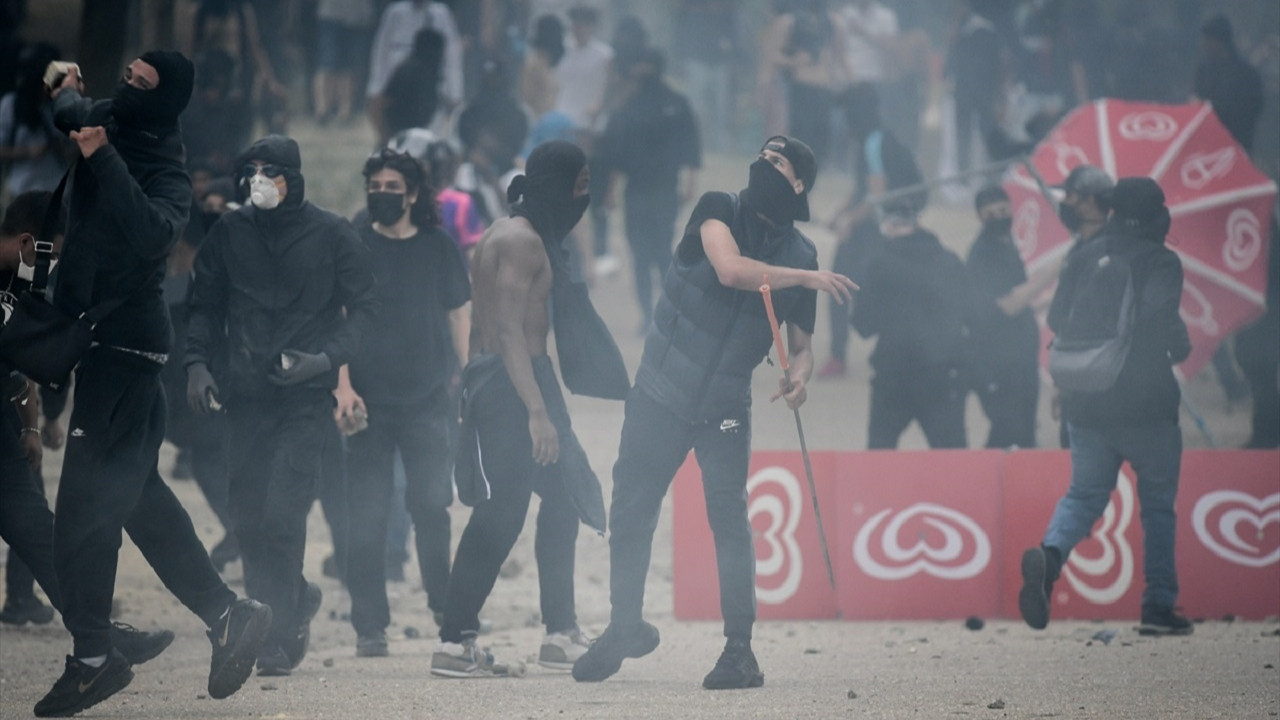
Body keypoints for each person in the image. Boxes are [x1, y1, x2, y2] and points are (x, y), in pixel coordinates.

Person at [572, 136, 856, 689]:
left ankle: (739, 652)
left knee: (729, 517)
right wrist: (805, 279)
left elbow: (802, 348)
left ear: (798, 185)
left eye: (778, 163)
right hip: (658, 392)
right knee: (632, 508)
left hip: (725, 403)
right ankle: (624, 626)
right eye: (763, 156)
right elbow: (729, 269)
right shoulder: (717, 208)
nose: (763, 165)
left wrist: (799, 379)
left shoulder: (803, 254)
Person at [38, 52, 271, 718]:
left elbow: (153, 235)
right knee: (137, 499)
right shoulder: (107, 117)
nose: (128, 90)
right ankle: (226, 614)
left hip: (127, 351)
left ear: (165, 102)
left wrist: (102, 155)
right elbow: (70, 111)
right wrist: (67, 83)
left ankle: (92, 659)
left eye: (143, 86)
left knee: (82, 515)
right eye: (127, 79)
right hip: (105, 345)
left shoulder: (164, 166)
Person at [433, 140, 627, 678]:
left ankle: (559, 634)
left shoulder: (518, 234)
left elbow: (492, 329)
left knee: (563, 498)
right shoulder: (521, 241)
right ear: (557, 184)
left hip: (509, 380)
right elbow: (510, 330)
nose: (584, 196)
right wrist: (537, 411)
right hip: (513, 385)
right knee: (503, 511)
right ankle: (454, 641)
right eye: (581, 185)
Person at [185, 134, 377, 677]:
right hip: (242, 396)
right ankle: (290, 603)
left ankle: (274, 636)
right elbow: (203, 305)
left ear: (293, 177)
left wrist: (325, 360)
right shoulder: (230, 232)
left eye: (271, 170)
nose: (259, 180)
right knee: (247, 516)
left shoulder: (333, 234)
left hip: (302, 401)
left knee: (283, 515)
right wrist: (196, 365)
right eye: (252, 170)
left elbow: (365, 311)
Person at [1020, 177, 1192, 636]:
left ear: (1113, 210)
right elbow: (1161, 318)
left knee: (1083, 495)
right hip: (1147, 405)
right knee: (1157, 505)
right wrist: (1180, 346)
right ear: (1157, 214)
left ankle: (1051, 557)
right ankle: (1158, 608)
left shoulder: (1083, 254)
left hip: (1086, 401)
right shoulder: (1161, 260)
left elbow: (1057, 319)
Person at [338, 149, 470, 657]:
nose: (383, 193)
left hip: (427, 398)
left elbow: (460, 309)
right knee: (366, 516)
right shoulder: (355, 242)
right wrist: (342, 387)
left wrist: (463, 376)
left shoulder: (438, 246)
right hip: (367, 402)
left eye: (394, 186)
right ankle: (369, 625)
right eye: (375, 184)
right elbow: (341, 315)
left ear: (413, 193)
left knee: (431, 507)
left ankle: (444, 606)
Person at [851, 198, 973, 450]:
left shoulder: (877, 265)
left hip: (895, 373)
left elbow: (863, 325)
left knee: (879, 455)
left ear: (886, 226)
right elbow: (970, 312)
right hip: (944, 372)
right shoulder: (950, 261)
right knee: (954, 460)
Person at [819, 83, 922, 379]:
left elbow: (876, 196)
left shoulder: (874, 143)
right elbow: (861, 190)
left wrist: (850, 221)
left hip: (880, 230)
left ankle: (839, 357)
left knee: (840, 284)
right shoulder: (874, 140)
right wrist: (840, 214)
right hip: (883, 226)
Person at [598, 48, 701, 333]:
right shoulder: (635, 106)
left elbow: (690, 147)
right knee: (645, 255)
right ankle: (651, 316)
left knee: (658, 253)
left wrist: (689, 184)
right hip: (642, 192)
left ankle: (666, 313)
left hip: (660, 190)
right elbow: (617, 155)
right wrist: (611, 191)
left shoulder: (672, 104)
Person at [966, 185, 1044, 449]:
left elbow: (1022, 304)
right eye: (990, 214)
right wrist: (1057, 270)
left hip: (1020, 357)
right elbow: (1009, 305)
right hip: (999, 360)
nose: (999, 218)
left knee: (1019, 432)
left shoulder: (1006, 243)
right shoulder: (983, 255)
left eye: (1002, 210)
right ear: (980, 217)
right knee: (1009, 430)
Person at [1050, 164, 1114, 446]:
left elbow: (1086, 321)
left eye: (1070, 196)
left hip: (1099, 381)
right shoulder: (1081, 249)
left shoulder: (1111, 252)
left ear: (1089, 202)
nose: (1065, 203)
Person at [366, 0, 462, 140]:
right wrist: (376, 87)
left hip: (430, 82)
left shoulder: (440, 13)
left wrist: (455, 91)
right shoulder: (395, 12)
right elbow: (381, 50)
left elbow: (452, 54)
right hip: (399, 81)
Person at [0, 42, 69, 198]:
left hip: (55, 191)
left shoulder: (58, 106)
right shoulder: (11, 106)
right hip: (21, 190)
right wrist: (27, 152)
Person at [1193, 14, 1264, 153]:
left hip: (1237, 143)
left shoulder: (1246, 74)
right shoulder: (1202, 72)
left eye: (1208, 40)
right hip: (1206, 145)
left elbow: (1253, 108)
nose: (1203, 45)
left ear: (1221, 41)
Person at [312, 0, 374, 125]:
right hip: (331, 15)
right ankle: (322, 110)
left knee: (349, 67)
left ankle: (345, 111)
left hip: (357, 18)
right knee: (327, 64)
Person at [379, 27, 446, 143]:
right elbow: (379, 104)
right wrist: (386, 137)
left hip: (422, 135)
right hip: (401, 136)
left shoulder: (431, 73)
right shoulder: (408, 71)